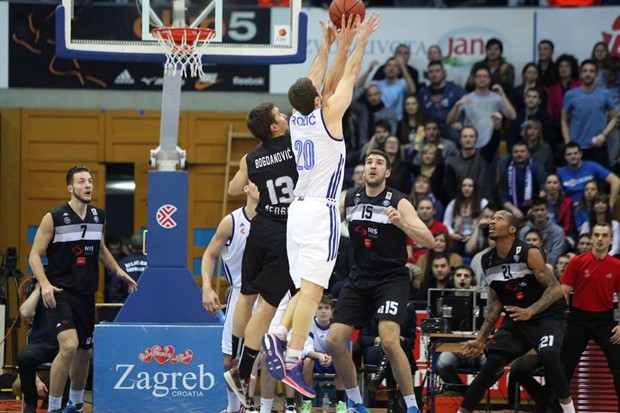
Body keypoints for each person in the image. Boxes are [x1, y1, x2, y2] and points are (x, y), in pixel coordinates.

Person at [262, 14, 380, 398]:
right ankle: (294, 359)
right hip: (321, 210)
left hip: (297, 211)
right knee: (313, 290)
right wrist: (359, 41)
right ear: (317, 100)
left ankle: (278, 334)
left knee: (302, 287)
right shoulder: (329, 115)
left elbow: (318, 81)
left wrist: (333, 44)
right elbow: (347, 79)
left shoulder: (297, 119)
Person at [327, 150, 434, 413]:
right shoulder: (349, 199)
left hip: (391, 278)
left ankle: (411, 406)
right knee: (334, 340)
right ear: (363, 170)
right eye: (368, 162)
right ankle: (355, 402)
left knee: (388, 340)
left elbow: (430, 241)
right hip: (360, 276)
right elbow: (325, 227)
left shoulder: (399, 202)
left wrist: (402, 224)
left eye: (379, 163)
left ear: (387, 173)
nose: (372, 167)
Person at [28, 165, 137, 413]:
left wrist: (119, 271)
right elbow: (34, 255)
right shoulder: (53, 217)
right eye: (81, 182)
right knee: (68, 346)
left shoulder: (99, 216)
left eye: (89, 181)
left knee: (84, 352)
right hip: (59, 292)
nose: (87, 185)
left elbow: (99, 249)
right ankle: (54, 407)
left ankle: (75, 403)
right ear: (70, 188)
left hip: (86, 294)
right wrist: (44, 284)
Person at [456, 210, 575, 413]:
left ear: (512, 229)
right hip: (518, 319)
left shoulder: (529, 252)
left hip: (547, 315)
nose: (492, 222)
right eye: (491, 219)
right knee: (492, 363)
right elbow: (495, 305)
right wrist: (481, 338)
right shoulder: (487, 260)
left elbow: (555, 289)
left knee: (548, 354)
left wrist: (531, 310)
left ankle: (570, 411)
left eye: (498, 219)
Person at [223, 102, 299, 406]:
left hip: (260, 227)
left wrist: (252, 189)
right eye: (280, 115)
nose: (285, 116)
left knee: (246, 295)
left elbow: (232, 190)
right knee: (268, 308)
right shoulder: (296, 145)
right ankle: (243, 370)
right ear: (275, 127)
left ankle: (238, 351)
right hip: (285, 231)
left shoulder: (250, 157)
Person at [202, 182, 259, 413]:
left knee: (256, 359)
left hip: (267, 296)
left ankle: (254, 406)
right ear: (245, 188)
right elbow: (209, 255)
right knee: (230, 360)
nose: (261, 186)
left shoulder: (276, 221)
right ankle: (234, 408)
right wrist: (207, 287)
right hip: (240, 293)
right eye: (255, 181)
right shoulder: (232, 222)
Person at [560, 222, 620, 411]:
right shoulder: (577, 262)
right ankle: (553, 408)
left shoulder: (617, 265)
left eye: (604, 235)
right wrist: (561, 320)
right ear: (591, 238)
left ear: (611, 240)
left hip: (605, 320)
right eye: (597, 235)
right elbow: (564, 291)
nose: (600, 239)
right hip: (578, 320)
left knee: (618, 365)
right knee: (564, 367)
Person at [436, 266, 487, 392]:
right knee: (442, 363)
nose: (462, 279)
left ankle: (475, 392)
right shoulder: (445, 300)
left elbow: (487, 328)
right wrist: (456, 347)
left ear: (472, 280)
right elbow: (440, 331)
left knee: (491, 365)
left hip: (477, 348)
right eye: (459, 275)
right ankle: (464, 392)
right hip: (453, 348)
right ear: (453, 278)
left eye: (466, 276)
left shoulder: (481, 301)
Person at [562, 59, 617, 167]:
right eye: (585, 71)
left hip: (598, 146)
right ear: (580, 73)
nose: (588, 74)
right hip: (576, 149)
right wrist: (568, 143)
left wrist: (603, 135)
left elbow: (614, 118)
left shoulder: (605, 93)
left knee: (601, 183)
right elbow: (564, 120)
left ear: (596, 74)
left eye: (591, 71)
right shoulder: (570, 95)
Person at [447, 66, 516, 149]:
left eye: (485, 76)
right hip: (471, 144)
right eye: (479, 76)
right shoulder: (467, 98)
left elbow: (512, 116)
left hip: (491, 143)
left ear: (490, 79)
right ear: (475, 79)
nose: (482, 79)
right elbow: (449, 121)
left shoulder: (496, 98)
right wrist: (456, 105)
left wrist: (502, 95)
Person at [17, 279, 59, 413]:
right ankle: (30, 404)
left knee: (73, 355)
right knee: (25, 357)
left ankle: (63, 403)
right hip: (40, 343)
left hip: (62, 342)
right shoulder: (36, 294)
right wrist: (39, 288)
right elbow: (25, 312)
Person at [300, 292, 345, 413]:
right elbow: (306, 349)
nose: (323, 311)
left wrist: (332, 358)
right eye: (320, 308)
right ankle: (306, 402)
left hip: (333, 359)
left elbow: (341, 348)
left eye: (326, 308)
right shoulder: (309, 324)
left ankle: (341, 403)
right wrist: (319, 356)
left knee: (342, 362)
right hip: (315, 359)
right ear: (314, 311)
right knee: (307, 361)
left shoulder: (337, 325)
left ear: (332, 312)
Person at [443, 122, 502, 202]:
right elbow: (451, 189)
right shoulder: (451, 162)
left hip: (484, 203)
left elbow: (494, 143)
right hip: (461, 205)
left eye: (471, 136)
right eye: (465, 136)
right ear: (460, 140)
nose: (468, 139)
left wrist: (496, 129)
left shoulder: (484, 155)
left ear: (476, 139)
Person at [556, 142, 620, 208]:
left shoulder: (592, 166)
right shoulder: (560, 173)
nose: (572, 156)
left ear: (581, 154)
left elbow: (616, 181)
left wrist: (610, 204)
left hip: (592, 209)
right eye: (569, 154)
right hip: (572, 209)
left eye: (575, 153)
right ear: (565, 156)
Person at [497, 140, 546, 220]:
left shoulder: (536, 167)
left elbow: (543, 188)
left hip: (533, 207)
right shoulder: (506, 171)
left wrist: (534, 208)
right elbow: (502, 196)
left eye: (522, 151)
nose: (519, 154)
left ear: (527, 154)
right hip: (513, 208)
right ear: (512, 154)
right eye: (516, 152)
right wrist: (513, 209)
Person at [518, 198, 567, 265]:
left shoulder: (558, 231)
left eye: (542, 210)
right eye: (536, 210)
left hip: (550, 266)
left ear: (547, 211)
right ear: (531, 212)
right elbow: (521, 252)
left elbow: (556, 254)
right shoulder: (524, 231)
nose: (539, 213)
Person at [106, 232, 147, 304]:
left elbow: (113, 294)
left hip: (125, 310)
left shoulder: (120, 265)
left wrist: (128, 303)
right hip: (150, 306)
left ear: (130, 247)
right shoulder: (152, 266)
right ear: (146, 246)